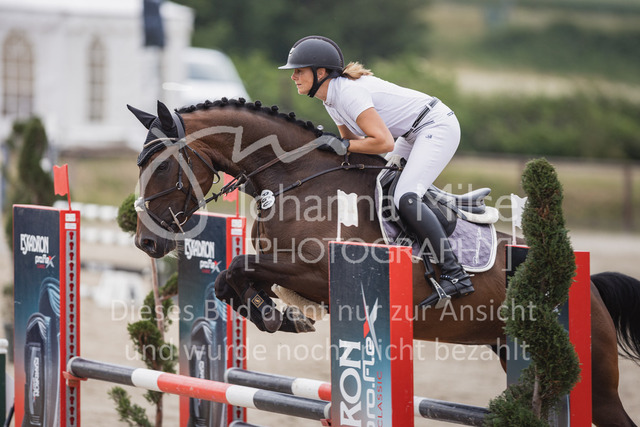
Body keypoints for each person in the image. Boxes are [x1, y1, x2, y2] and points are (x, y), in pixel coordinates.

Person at [279, 35, 474, 307]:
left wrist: (342, 145)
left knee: (405, 196)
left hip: (435, 126)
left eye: (299, 71)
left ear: (320, 72)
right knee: (381, 185)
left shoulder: (347, 93)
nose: (293, 77)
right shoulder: (331, 99)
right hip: (412, 133)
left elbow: (383, 143)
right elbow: (353, 146)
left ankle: (455, 274)